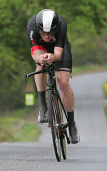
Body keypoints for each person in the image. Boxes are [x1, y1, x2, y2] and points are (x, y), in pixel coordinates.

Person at [26, 9, 79, 144]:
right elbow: (36, 54)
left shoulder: (61, 23)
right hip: (41, 48)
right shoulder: (32, 25)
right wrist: (42, 58)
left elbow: (58, 55)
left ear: (55, 29)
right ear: (38, 28)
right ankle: (43, 104)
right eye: (43, 33)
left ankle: (72, 124)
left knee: (63, 84)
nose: (47, 37)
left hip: (58, 48)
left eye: (50, 33)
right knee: (40, 66)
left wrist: (53, 57)